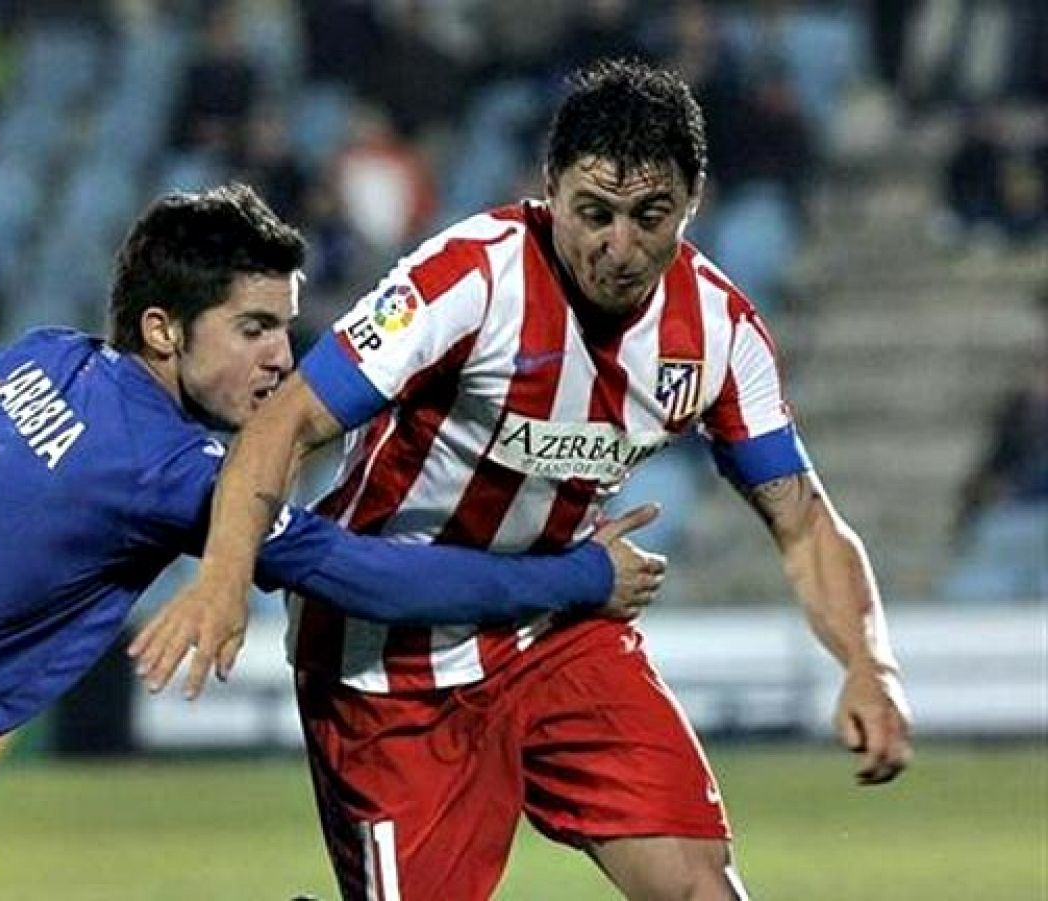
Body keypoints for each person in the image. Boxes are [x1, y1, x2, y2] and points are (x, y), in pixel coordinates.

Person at [0, 184, 667, 900]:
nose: (283, 359)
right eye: (255, 328)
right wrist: (578, 573)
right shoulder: (169, 474)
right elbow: (362, 573)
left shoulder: (33, 361)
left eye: (287, 328)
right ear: (166, 329)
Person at [135, 62, 913, 901]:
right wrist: (222, 577)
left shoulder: (720, 333)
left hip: (557, 631)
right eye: (595, 213)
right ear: (550, 191)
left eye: (650, 215)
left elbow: (804, 521)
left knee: (701, 889)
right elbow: (285, 419)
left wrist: (870, 664)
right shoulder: (469, 277)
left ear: (693, 203)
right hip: (387, 660)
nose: (618, 247)